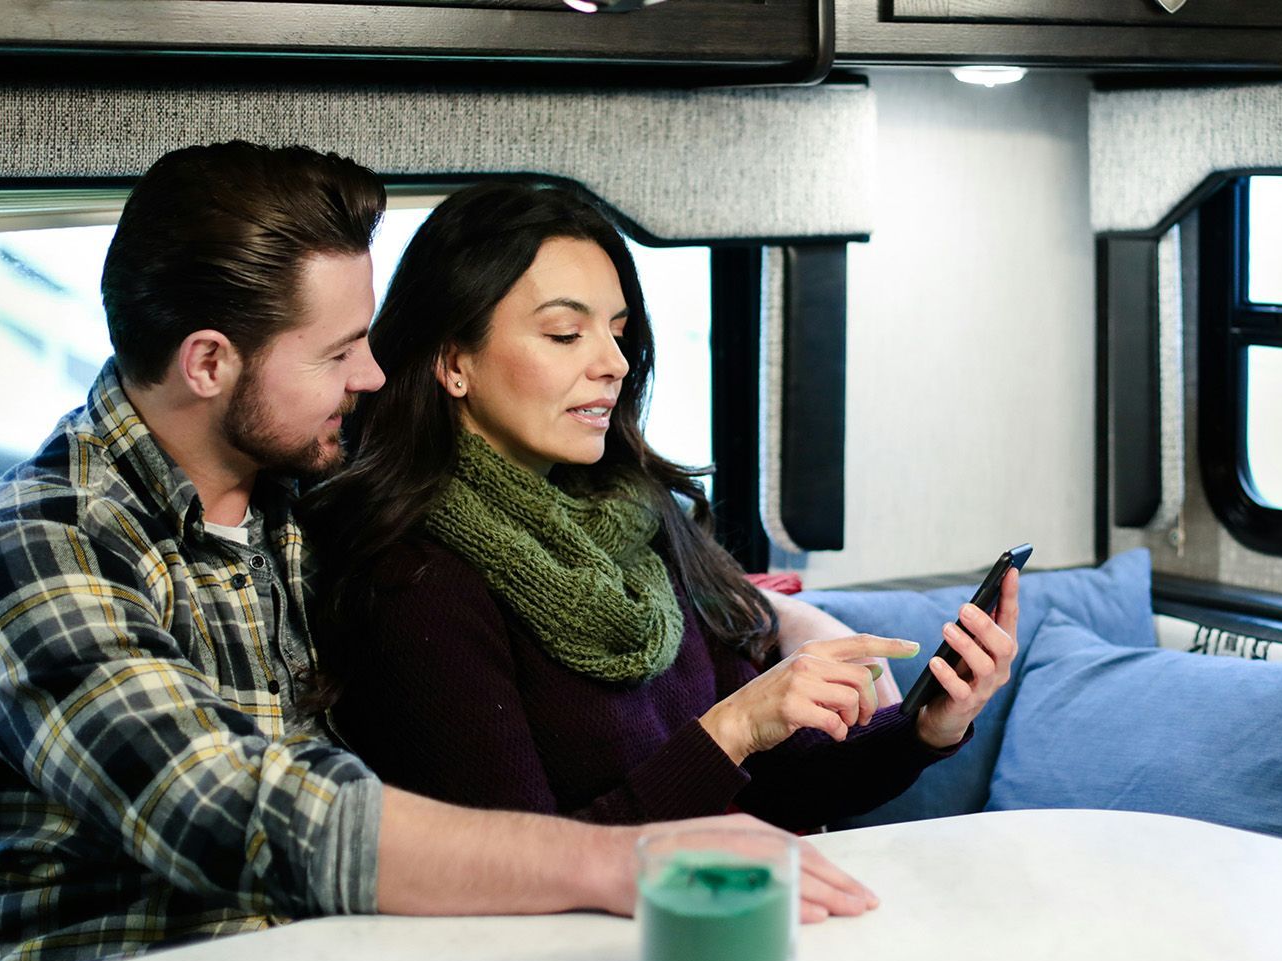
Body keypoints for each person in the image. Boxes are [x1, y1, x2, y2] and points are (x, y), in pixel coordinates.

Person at [0, 142, 874, 961]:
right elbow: (243, 813)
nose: (371, 374)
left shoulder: (293, 487)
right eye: (337, 352)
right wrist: (624, 859)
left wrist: (792, 621)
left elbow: (585, 537)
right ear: (208, 364)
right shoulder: (37, 545)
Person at [300, 179, 1020, 838]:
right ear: (452, 361)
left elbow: (775, 792)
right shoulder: (414, 581)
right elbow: (522, 873)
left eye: (617, 330)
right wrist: (732, 729)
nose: (613, 361)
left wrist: (924, 727)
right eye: (564, 333)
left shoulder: (636, 517)